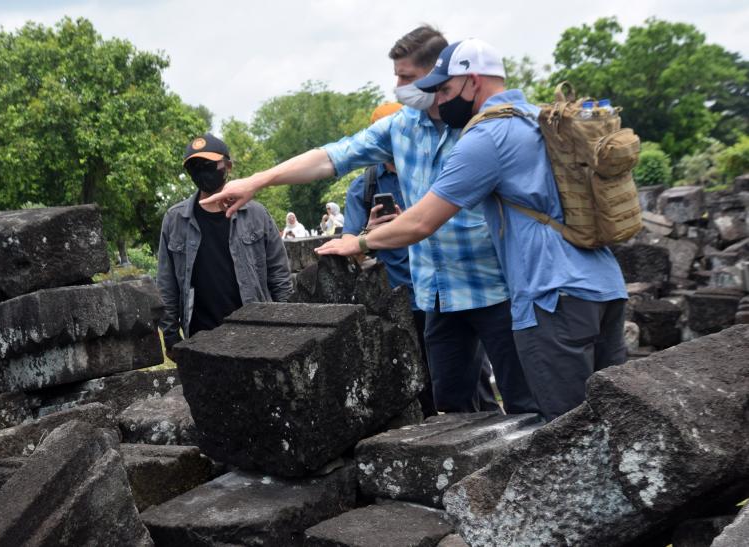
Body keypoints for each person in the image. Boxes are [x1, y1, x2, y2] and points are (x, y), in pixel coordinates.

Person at [202, 27, 538, 416]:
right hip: (437, 293)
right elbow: (332, 156)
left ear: (438, 76)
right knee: (453, 413)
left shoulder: (483, 126)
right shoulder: (403, 127)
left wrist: (361, 242)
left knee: (525, 406)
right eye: (397, 76)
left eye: (408, 78)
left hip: (495, 284)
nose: (399, 87)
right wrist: (260, 180)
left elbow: (424, 222)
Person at [315, 38, 628, 421]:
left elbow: (422, 220)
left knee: (563, 427)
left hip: (552, 294)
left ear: (473, 82)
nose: (441, 101)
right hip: (604, 284)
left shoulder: (486, 135)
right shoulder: (536, 118)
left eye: (446, 89)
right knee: (614, 417)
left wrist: (359, 242)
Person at [156, 133, 293, 356]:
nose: (202, 170)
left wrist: (287, 324)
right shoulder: (175, 220)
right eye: (194, 167)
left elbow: (279, 275)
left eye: (208, 164)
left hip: (257, 332)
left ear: (227, 166)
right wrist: (170, 335)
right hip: (203, 338)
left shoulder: (257, 215)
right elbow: (167, 282)